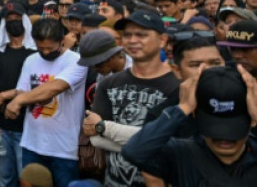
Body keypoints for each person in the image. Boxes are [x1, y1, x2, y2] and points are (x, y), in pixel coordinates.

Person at [83, 10, 179, 187]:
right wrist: (149, 142)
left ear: (163, 40)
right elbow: (95, 138)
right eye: (127, 35)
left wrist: (105, 127)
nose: (133, 40)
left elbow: (174, 144)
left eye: (141, 34)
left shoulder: (179, 86)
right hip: (114, 181)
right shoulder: (108, 83)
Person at [122, 65, 257, 184]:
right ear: (194, 115)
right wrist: (183, 108)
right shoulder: (181, 153)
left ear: (251, 119)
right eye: (214, 128)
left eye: (234, 129)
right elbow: (133, 151)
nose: (224, 138)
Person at [5, 19, 88, 187]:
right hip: (32, 143)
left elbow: (53, 88)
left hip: (63, 148)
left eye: (50, 48)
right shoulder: (31, 60)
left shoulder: (77, 61)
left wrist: (20, 100)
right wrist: (21, 98)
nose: (45, 52)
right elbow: (22, 89)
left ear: (62, 41)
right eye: (40, 48)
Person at [0, 2, 36, 187]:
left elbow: (39, 86)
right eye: (10, 20)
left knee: (26, 177)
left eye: (17, 19)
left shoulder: (35, 52)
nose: (14, 23)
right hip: (0, 126)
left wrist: (7, 94)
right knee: (4, 176)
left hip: (27, 125)